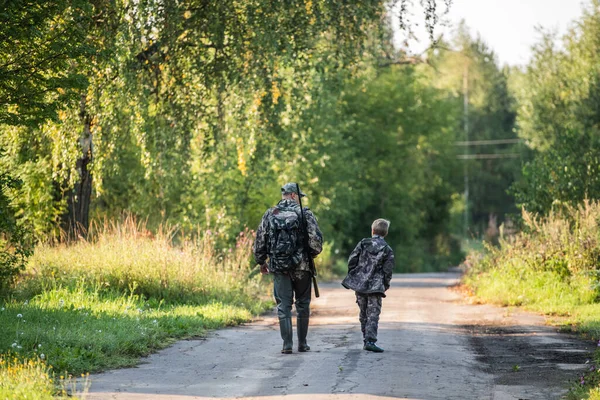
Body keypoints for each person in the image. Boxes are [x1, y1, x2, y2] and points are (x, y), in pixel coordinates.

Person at [253, 182, 323, 354]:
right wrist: (310, 255)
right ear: (293, 195)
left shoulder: (270, 214)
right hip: (302, 267)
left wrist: (261, 261)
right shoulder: (305, 213)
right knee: (302, 304)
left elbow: (260, 240)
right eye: (299, 196)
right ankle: (303, 343)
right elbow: (316, 241)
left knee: (283, 306)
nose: (300, 200)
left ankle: (287, 345)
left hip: (279, 266)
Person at [341, 218, 394, 352]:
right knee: (373, 314)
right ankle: (370, 341)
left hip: (360, 284)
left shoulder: (363, 243)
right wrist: (385, 284)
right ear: (385, 233)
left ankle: (366, 338)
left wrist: (354, 275)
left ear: (372, 230)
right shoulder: (387, 249)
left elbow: (352, 259)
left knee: (363, 312)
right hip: (376, 286)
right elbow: (388, 270)